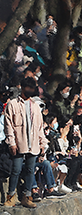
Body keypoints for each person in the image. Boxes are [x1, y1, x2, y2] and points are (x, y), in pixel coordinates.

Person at [4, 77, 48, 208]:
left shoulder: (35, 106)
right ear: (22, 88)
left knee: (30, 170)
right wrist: (11, 142)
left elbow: (40, 127)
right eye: (28, 88)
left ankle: (26, 196)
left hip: (33, 144)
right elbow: (8, 125)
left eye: (32, 88)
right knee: (16, 170)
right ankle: (10, 197)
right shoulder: (13, 104)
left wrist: (43, 144)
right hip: (19, 143)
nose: (30, 90)